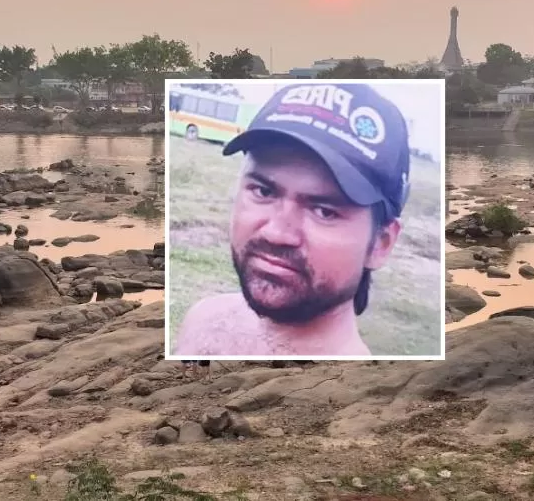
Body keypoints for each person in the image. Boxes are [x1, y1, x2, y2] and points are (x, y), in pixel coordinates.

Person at [173, 83, 410, 356]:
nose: (276, 232)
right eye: (264, 192)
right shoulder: (204, 321)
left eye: (324, 211)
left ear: (381, 244)